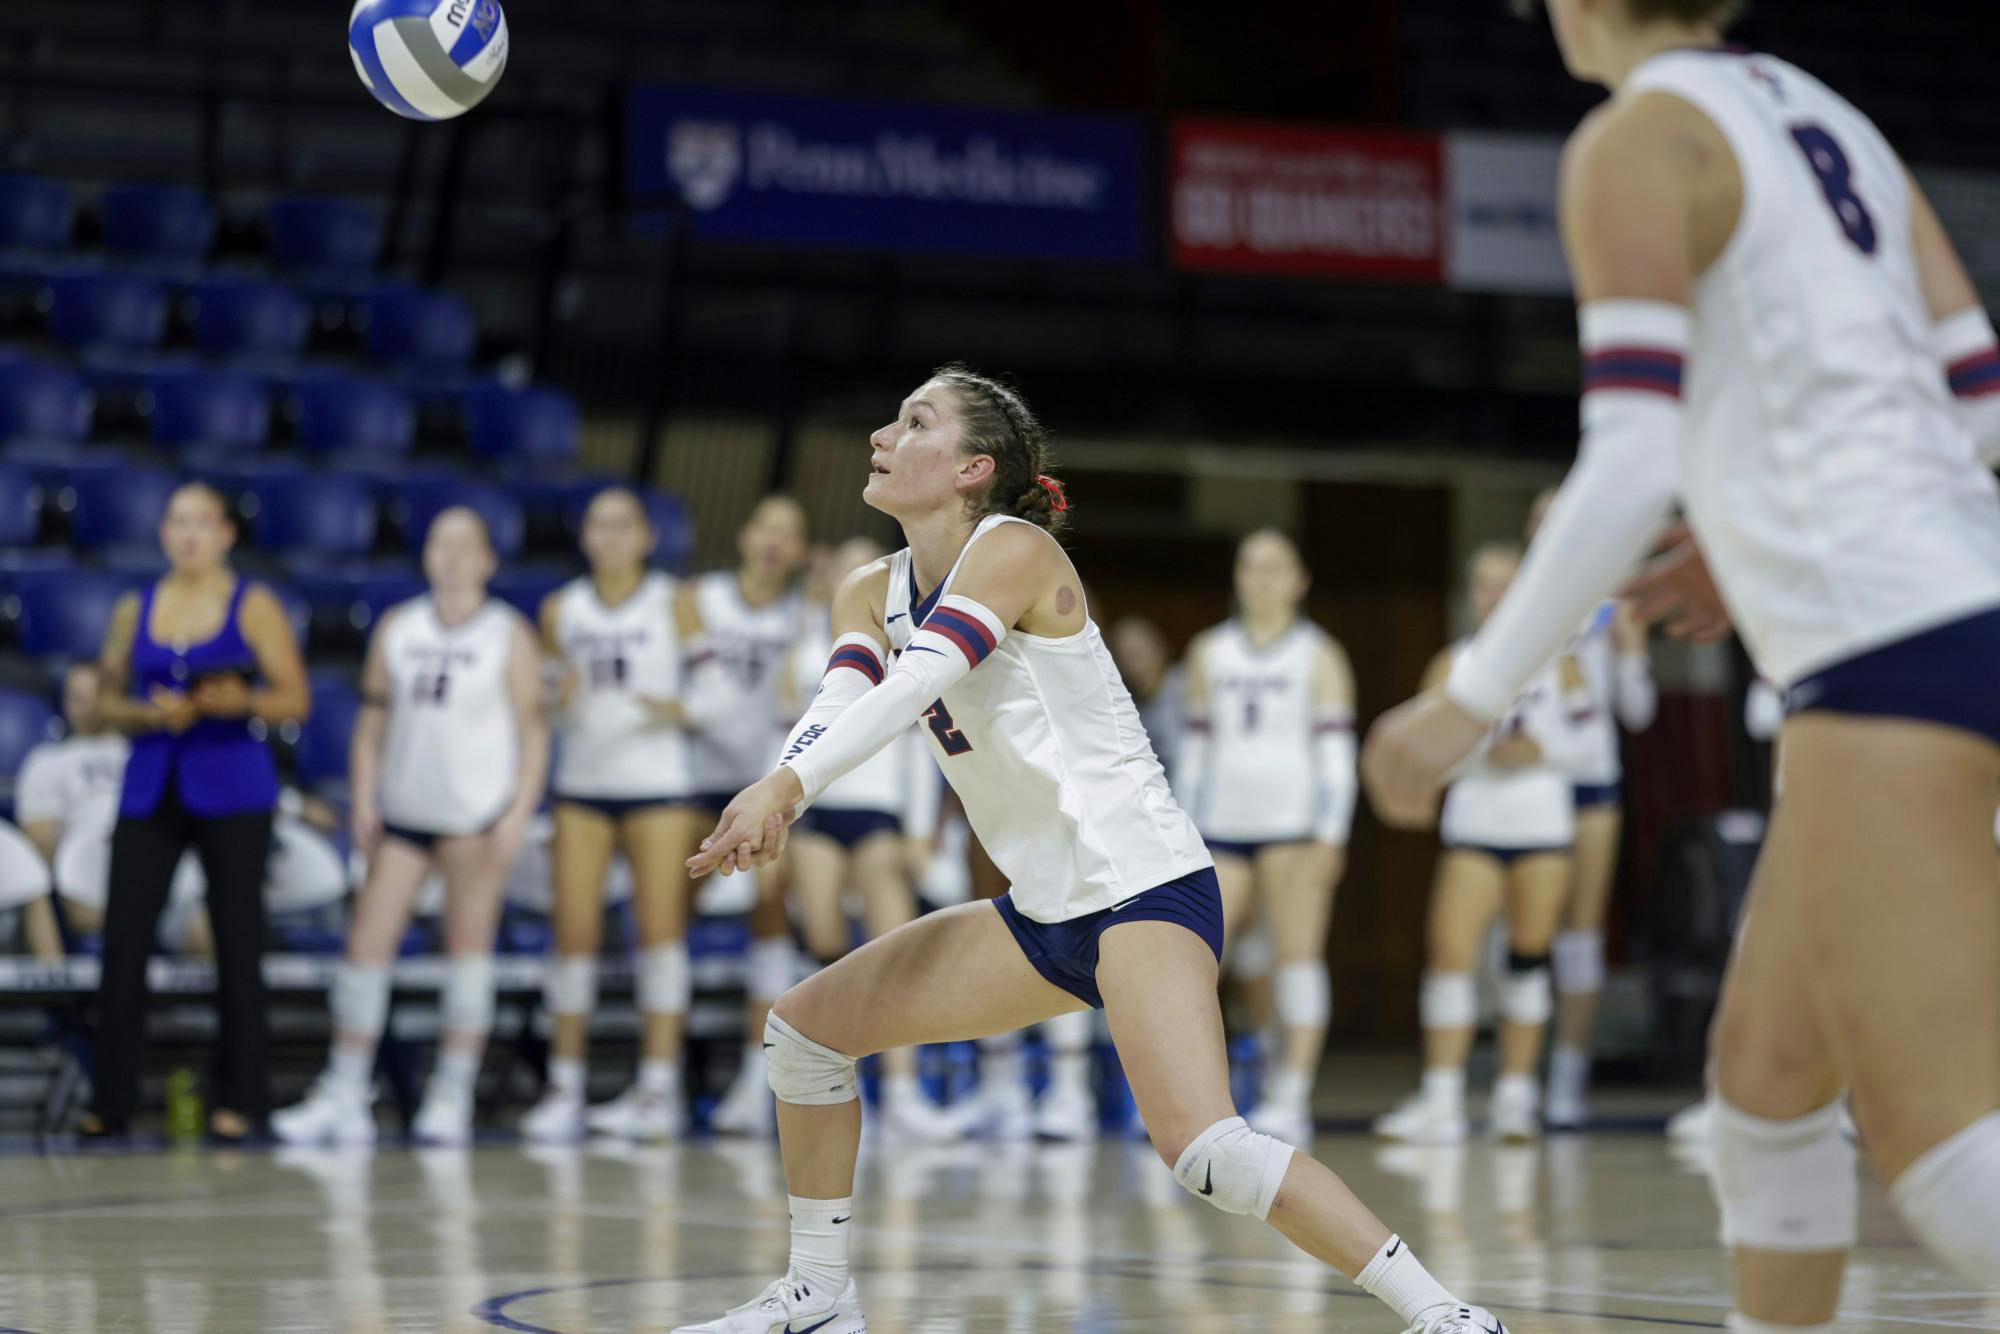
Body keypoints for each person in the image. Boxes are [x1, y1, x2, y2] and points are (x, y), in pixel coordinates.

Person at [1366, 0, 2000, 1322]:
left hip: (1894, 641)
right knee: (1768, 1087)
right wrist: (1742, 518)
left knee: (1945, 1159)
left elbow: (1629, 460)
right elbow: (1978, 395)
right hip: (1941, 609)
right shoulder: (1831, 115)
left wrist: (1467, 696)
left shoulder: (1634, 139)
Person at [672, 365, 1506, 1334]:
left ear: (970, 468)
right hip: (1042, 911)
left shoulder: (1014, 549)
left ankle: (1442, 1313)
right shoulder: (865, 589)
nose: (881, 437)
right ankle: (818, 1295)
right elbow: (843, 699)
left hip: (1144, 887)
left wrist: (783, 789)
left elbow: (922, 679)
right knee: (803, 1036)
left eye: (913, 422)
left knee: (1206, 1150)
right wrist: (780, 787)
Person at [274, 507, 547, 1147]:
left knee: (467, 954)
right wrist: (365, 800)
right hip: (403, 815)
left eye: (464, 543)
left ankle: (452, 1091)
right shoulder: (398, 626)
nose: (450, 554)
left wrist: (517, 813)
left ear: (488, 559)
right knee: (366, 948)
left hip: (475, 819)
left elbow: (534, 731)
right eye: (439, 542)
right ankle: (346, 1091)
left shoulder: (507, 633)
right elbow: (372, 726)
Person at [83, 482, 311, 1140]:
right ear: (162, 533)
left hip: (233, 784)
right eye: (177, 522)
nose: (188, 535)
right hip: (152, 781)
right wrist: (146, 713)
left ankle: (242, 1098)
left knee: (237, 943)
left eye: (201, 523)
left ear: (224, 535)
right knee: (124, 942)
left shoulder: (253, 604)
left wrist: (237, 702)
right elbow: (102, 705)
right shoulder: (136, 607)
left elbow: (293, 698)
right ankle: (111, 1100)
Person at [1373, 543, 1589, 1145]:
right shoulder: (1454, 664)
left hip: (1542, 828)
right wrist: (1475, 751)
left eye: (1506, 583)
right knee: (1449, 958)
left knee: (1525, 960)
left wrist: (1540, 751)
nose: (1494, 596)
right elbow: (1422, 752)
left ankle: (1516, 1099)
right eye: (1484, 584)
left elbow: (1591, 748)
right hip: (1475, 827)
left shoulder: (1560, 660)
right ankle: (1441, 1099)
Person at [520, 487, 703, 1144]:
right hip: (581, 785)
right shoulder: (560, 608)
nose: (611, 536)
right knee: (572, 938)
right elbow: (546, 702)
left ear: (646, 536)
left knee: (658, 936)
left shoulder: (675, 601)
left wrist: (678, 708)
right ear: (585, 536)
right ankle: (563, 1085)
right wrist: (554, 698)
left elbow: (716, 692)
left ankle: (658, 1089)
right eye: (599, 524)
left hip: (657, 785)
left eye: (624, 525)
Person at [1175, 529, 1356, 1147]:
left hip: (1295, 829)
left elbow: (1338, 755)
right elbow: (1194, 753)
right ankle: (1195, 1097)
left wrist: (1332, 833)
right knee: (1200, 960)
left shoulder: (1320, 654)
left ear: (1300, 580)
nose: (1262, 578)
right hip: (1222, 831)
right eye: (1251, 566)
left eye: (1276, 568)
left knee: (1297, 960)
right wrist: (1184, 830)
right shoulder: (1209, 651)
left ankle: (1292, 1095)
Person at [780, 535, 959, 1143]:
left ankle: (904, 1091)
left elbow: (919, 744)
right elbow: (793, 725)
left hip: (880, 811)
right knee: (825, 942)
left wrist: (916, 831)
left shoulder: (912, 639)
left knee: (891, 942)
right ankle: (826, 1076)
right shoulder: (807, 638)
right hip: (821, 809)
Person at [1522, 488, 1659, 1129]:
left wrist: (1630, 648)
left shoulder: (1612, 600)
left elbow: (1639, 712)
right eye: (1544, 519)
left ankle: (1569, 1077)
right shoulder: (1517, 598)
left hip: (1592, 787)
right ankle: (1516, 1075)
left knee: (1579, 934)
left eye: (1565, 516)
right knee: (1525, 932)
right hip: (1527, 786)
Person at [680, 495, 810, 1136]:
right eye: (767, 527)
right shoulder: (699, 597)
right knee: (664, 912)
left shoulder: (804, 619)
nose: (774, 542)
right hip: (688, 782)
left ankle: (754, 1081)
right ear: (743, 534)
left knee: (770, 911)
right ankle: (660, 1079)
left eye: (790, 535)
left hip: (761, 787)